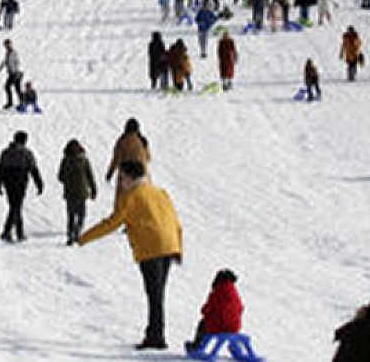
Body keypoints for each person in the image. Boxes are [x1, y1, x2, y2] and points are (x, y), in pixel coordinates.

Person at [77, 159, 183, 350]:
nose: (120, 181)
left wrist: (84, 237)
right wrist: (178, 247)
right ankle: (155, 334)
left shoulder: (131, 196)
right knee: (158, 294)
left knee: (154, 294)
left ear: (129, 176)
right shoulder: (159, 192)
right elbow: (174, 220)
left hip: (151, 247)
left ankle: (156, 337)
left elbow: (112, 223)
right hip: (168, 245)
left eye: (121, 177)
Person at [0, 131, 44, 243]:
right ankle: (8, 232)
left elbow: (0, 169)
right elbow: (34, 169)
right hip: (20, 182)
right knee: (15, 207)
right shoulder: (27, 153)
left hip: (8, 182)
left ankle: (18, 232)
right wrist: (39, 184)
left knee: (15, 206)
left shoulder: (6, 152)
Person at [188, 269, 244, 353]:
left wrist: (205, 312)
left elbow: (207, 309)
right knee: (228, 325)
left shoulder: (217, 292)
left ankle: (197, 346)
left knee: (202, 324)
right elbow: (241, 307)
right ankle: (235, 348)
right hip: (235, 326)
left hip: (220, 326)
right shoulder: (234, 293)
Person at [58, 139, 97, 246]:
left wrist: (67, 180)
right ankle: (77, 232)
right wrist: (93, 189)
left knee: (71, 215)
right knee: (81, 215)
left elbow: (60, 176)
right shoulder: (83, 160)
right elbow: (90, 176)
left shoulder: (65, 160)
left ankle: (70, 234)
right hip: (82, 192)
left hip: (70, 192)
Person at [106, 118, 151, 182]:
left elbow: (116, 159)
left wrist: (109, 174)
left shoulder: (122, 141)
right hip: (140, 172)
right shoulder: (142, 140)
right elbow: (148, 158)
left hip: (126, 173)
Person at [0, 39, 24, 109]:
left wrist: (16, 71)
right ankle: (14, 102)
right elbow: (5, 62)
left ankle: (17, 103)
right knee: (14, 88)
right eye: (5, 45)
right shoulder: (7, 53)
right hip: (12, 73)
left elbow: (17, 62)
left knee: (11, 87)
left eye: (8, 45)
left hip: (16, 73)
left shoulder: (14, 53)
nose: (6, 46)